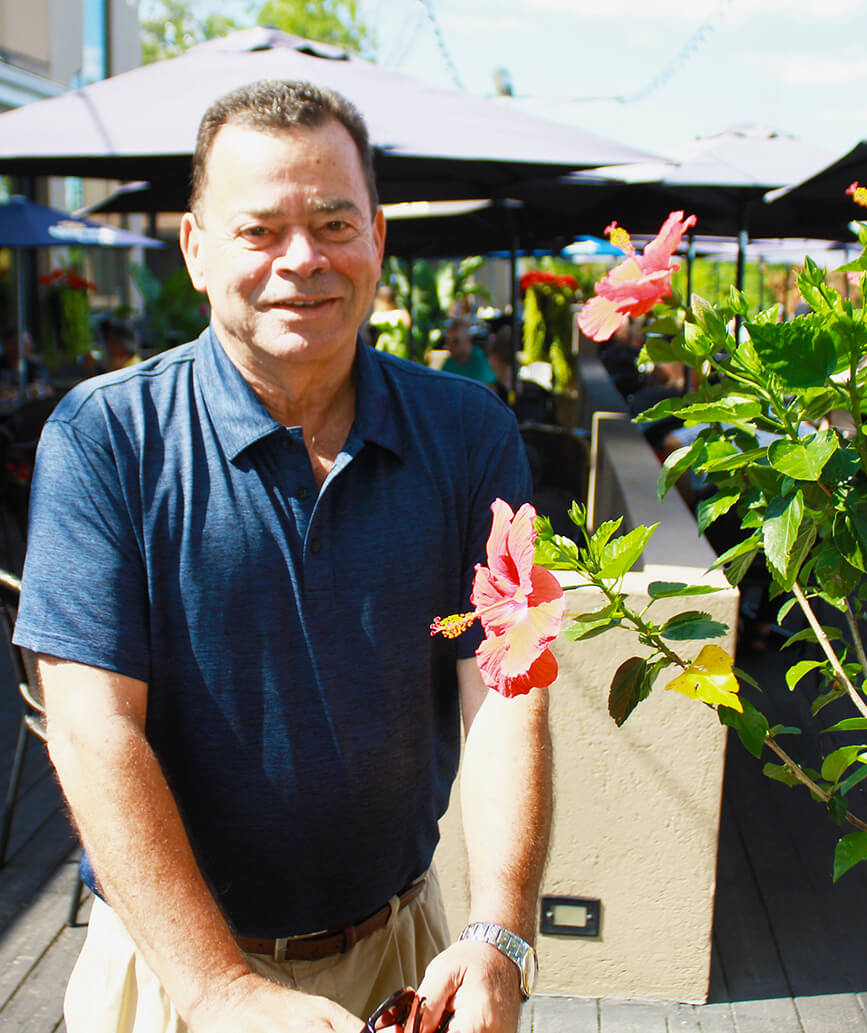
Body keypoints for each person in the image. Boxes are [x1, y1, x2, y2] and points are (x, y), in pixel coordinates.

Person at [13, 80, 551, 1033]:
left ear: (378, 237)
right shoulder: (104, 438)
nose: (303, 260)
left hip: (404, 962)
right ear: (196, 249)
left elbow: (511, 689)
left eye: (336, 222)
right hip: (172, 972)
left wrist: (502, 932)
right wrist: (219, 989)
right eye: (260, 230)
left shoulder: (472, 431)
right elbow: (95, 732)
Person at [440, 318, 496, 386]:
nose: (450, 346)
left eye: (456, 341)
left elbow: (488, 390)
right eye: (447, 341)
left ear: (468, 340)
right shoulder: (449, 363)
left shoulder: (480, 360)